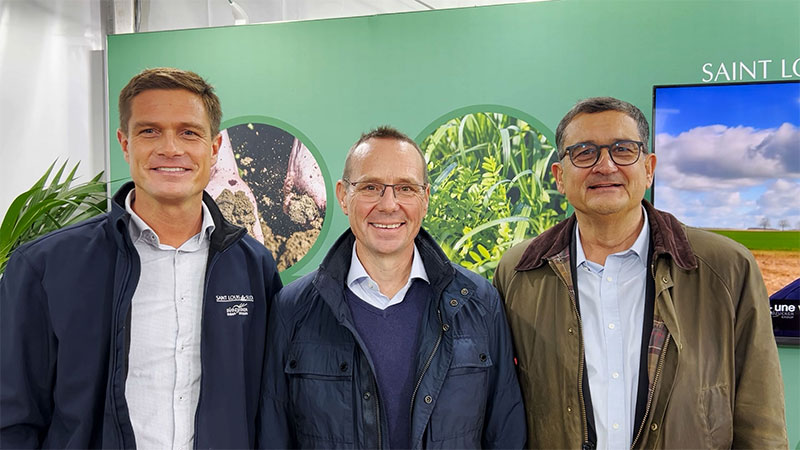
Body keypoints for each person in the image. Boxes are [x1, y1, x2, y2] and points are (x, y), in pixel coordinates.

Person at [0, 67, 282, 449]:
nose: (170, 148)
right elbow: (12, 416)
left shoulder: (253, 267)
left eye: (189, 132)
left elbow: (269, 407)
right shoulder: (45, 266)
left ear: (213, 148)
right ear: (125, 142)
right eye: (149, 131)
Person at [493, 96, 788, 449]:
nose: (605, 165)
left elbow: (761, 417)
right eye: (584, 152)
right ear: (560, 176)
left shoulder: (726, 268)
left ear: (648, 168)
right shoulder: (519, 273)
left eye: (623, 150)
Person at [259, 126, 526, 449]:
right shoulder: (293, 309)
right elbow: (273, 436)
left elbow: (506, 435)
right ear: (344, 196)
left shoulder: (479, 303)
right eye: (371, 187)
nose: (389, 204)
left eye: (405, 188)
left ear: (425, 199)